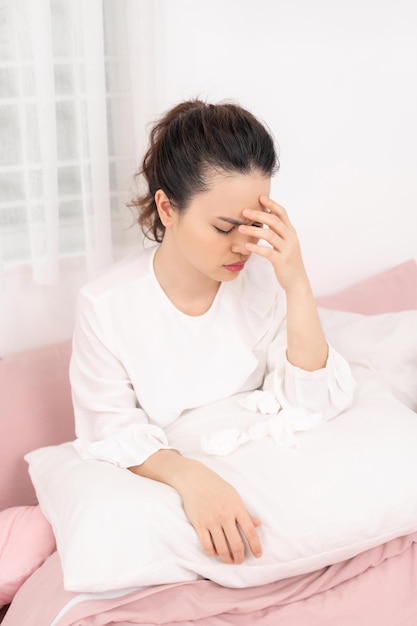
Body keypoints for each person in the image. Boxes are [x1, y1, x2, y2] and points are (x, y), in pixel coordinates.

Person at [70, 99, 355, 568]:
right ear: (166, 207)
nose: (244, 244)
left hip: (284, 495)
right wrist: (190, 476)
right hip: (185, 501)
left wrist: (297, 282)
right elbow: (109, 430)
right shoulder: (106, 307)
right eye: (224, 227)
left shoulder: (265, 282)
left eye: (255, 224)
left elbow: (315, 400)